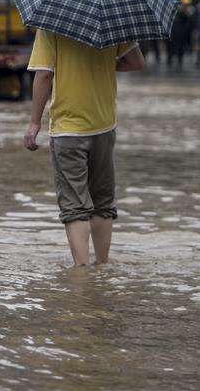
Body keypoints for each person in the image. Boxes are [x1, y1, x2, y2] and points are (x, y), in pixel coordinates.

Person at [24, 31, 145, 267]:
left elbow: (44, 75)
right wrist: (104, 64)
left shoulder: (51, 25)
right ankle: (102, 267)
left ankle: (81, 273)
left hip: (68, 129)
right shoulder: (113, 21)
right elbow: (137, 62)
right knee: (102, 201)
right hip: (103, 125)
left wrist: (34, 122)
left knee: (74, 205)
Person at [167, 0, 193, 68]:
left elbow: (189, 22)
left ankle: (178, 60)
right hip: (173, 32)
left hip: (180, 33)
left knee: (180, 48)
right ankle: (170, 60)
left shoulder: (184, 11)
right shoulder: (171, 9)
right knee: (171, 47)